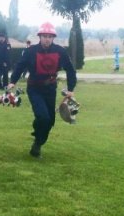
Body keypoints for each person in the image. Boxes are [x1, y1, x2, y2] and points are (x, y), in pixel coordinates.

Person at [7, 22, 77, 158]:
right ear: (40, 36)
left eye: (50, 36)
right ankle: (37, 142)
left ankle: (37, 143)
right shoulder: (30, 51)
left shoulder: (60, 51)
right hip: (34, 88)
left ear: (53, 38)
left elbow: (70, 69)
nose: (47, 39)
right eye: (44, 36)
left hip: (50, 89)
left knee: (50, 121)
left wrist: (71, 88)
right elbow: (20, 66)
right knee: (43, 117)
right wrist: (12, 82)